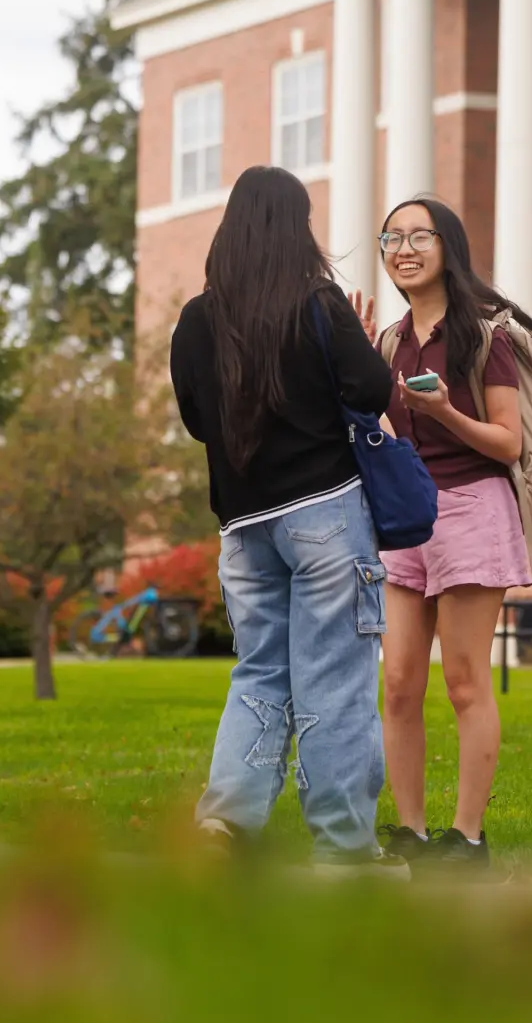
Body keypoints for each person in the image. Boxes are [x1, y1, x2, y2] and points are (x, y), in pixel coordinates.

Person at [170, 165, 397, 862]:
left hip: (243, 528)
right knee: (334, 679)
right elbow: (372, 387)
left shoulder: (197, 319)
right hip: (326, 512)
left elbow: (195, 422)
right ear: (295, 227)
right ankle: (343, 848)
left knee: (260, 673)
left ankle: (227, 827)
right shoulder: (319, 303)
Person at [359, 195, 532, 873]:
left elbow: (507, 443)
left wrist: (444, 413)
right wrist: (357, 368)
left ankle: (466, 839)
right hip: (408, 517)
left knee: (465, 683)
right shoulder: (391, 340)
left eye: (417, 236)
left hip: (471, 508)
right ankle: (411, 830)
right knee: (400, 684)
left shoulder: (483, 336)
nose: (402, 249)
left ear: (448, 247)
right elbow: (379, 437)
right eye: (391, 238)